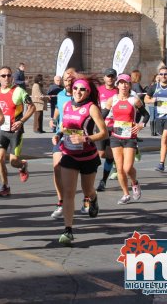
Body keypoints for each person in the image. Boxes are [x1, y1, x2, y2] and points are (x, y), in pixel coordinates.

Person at [53, 75, 108, 246]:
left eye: (82, 89)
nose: (78, 92)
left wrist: (86, 139)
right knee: (69, 192)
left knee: (87, 190)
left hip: (88, 156)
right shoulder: (66, 105)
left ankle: (93, 198)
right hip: (69, 154)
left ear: (88, 92)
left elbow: (104, 133)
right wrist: (58, 135)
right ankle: (68, 230)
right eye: (75, 88)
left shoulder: (92, 108)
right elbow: (64, 126)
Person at [102, 74, 149, 205]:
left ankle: (135, 183)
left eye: (126, 83)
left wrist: (141, 125)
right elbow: (101, 116)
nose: (124, 85)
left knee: (128, 168)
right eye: (121, 83)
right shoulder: (112, 100)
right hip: (116, 137)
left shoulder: (134, 100)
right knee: (120, 169)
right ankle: (125, 194)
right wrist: (103, 125)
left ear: (130, 85)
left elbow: (146, 115)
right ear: (117, 85)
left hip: (130, 137)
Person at [0, 66, 35, 197]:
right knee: (0, 158)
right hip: (1, 130)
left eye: (9, 75)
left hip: (15, 131)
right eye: (3, 75)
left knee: (13, 162)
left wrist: (21, 121)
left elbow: (32, 107)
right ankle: (5, 186)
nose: (7, 78)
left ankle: (22, 165)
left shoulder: (19, 91)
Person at [49, 68, 75, 219]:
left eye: (71, 79)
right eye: (66, 79)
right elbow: (59, 109)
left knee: (79, 174)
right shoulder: (60, 95)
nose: (68, 82)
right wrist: (53, 119)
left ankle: (89, 197)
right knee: (56, 168)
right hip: (61, 135)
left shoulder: (81, 95)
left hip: (77, 137)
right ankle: (61, 201)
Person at [94, 68, 118, 193]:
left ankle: (103, 180)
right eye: (108, 76)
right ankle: (115, 164)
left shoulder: (119, 91)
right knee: (101, 154)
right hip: (101, 125)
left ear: (115, 78)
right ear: (104, 78)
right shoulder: (99, 91)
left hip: (115, 126)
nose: (110, 78)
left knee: (109, 155)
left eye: (112, 76)